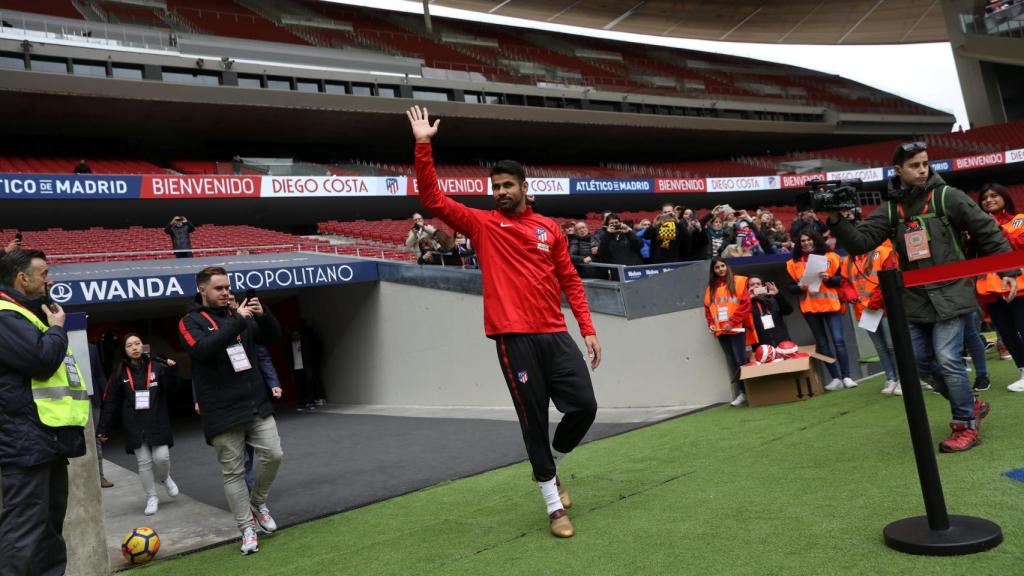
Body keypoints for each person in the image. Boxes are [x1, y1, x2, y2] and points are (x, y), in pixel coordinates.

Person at [407, 105, 601, 539]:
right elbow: (432, 200)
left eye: (507, 185)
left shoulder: (550, 229)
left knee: (584, 406)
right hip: (513, 339)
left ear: (525, 188)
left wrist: (587, 327)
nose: (499, 192)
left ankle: (552, 463)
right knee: (532, 418)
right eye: (495, 186)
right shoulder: (482, 224)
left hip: (555, 333)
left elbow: (570, 279)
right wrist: (424, 145)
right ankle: (554, 507)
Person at [827, 141, 1017, 453]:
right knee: (918, 362)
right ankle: (970, 403)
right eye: (914, 165)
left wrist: (1009, 272)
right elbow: (860, 243)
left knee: (947, 360)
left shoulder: (947, 196)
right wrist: (837, 220)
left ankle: (965, 423)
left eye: (925, 163)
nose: (922, 169)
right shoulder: (891, 209)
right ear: (898, 170)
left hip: (952, 294)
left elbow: (988, 231)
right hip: (914, 299)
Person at [178, 266, 283, 555]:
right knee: (233, 472)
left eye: (227, 287)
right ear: (203, 290)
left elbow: (272, 338)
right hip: (221, 410)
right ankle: (246, 528)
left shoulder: (238, 314)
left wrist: (264, 314)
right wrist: (239, 319)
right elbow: (204, 350)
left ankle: (258, 502)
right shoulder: (190, 321)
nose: (226, 292)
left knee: (274, 454)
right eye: (219, 288)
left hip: (255, 403)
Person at [0, 249, 88, 576]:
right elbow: (41, 362)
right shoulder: (5, 314)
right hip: (24, 443)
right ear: (23, 278)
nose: (49, 279)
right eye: (44, 273)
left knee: (49, 529)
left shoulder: (25, 313)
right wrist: (57, 328)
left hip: (45, 438)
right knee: (25, 530)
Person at [96, 334, 179, 515]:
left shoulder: (157, 366)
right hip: (134, 423)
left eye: (137, 343)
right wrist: (103, 428)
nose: (134, 347)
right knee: (144, 462)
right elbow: (110, 401)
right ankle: (151, 497)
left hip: (157, 419)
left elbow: (173, 389)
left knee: (162, 458)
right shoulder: (119, 372)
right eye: (129, 345)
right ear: (124, 350)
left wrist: (172, 370)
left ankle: (164, 478)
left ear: (143, 346)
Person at [786, 230, 855, 391]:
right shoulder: (792, 263)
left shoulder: (831, 257)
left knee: (839, 340)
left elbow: (840, 280)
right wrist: (799, 287)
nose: (806, 243)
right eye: (802, 241)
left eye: (808, 239)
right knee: (823, 344)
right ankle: (835, 378)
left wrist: (829, 279)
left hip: (831, 305)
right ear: (799, 244)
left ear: (815, 240)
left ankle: (847, 376)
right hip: (810, 308)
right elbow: (790, 287)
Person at [973, 182, 1024, 391]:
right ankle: (1022, 370)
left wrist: (994, 229)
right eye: (985, 198)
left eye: (994, 196)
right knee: (1007, 332)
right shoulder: (975, 228)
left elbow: (1019, 245)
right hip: (990, 289)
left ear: (1004, 197)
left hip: (1018, 285)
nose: (989, 200)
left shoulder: (1019, 220)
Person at [839, 234, 901, 395]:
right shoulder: (847, 261)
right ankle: (891, 378)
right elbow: (844, 282)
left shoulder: (881, 252)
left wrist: (875, 301)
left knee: (892, 345)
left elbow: (889, 277)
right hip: (864, 310)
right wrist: (849, 293)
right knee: (880, 347)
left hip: (884, 307)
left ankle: (902, 379)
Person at [704, 258, 752, 407]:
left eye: (722, 266)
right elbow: (708, 310)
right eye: (717, 267)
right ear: (713, 271)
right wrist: (711, 324)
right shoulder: (710, 288)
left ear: (727, 266)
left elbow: (745, 305)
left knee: (741, 360)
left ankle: (750, 391)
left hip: (736, 328)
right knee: (732, 363)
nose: (720, 269)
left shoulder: (739, 281)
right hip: (721, 331)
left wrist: (731, 322)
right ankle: (742, 393)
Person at [88, 342, 114, 488]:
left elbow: (99, 374)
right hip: (70, 401)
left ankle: (100, 477)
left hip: (93, 400)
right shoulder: (60, 343)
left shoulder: (92, 348)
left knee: (96, 439)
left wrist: (107, 398)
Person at [747, 274, 793, 347]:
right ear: (748, 288)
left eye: (758, 284)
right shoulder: (747, 303)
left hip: (782, 342)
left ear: (762, 286)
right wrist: (748, 299)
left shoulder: (772, 298)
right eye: (752, 285)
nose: (755, 286)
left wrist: (777, 294)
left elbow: (789, 310)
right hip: (761, 346)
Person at [289, 325, 324, 411]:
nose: (296, 336)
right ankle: (301, 404)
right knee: (299, 387)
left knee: (309, 385)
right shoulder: (289, 345)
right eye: (294, 335)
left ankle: (311, 402)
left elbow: (310, 354)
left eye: (297, 334)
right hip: (296, 368)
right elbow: (289, 358)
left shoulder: (304, 343)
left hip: (305, 367)